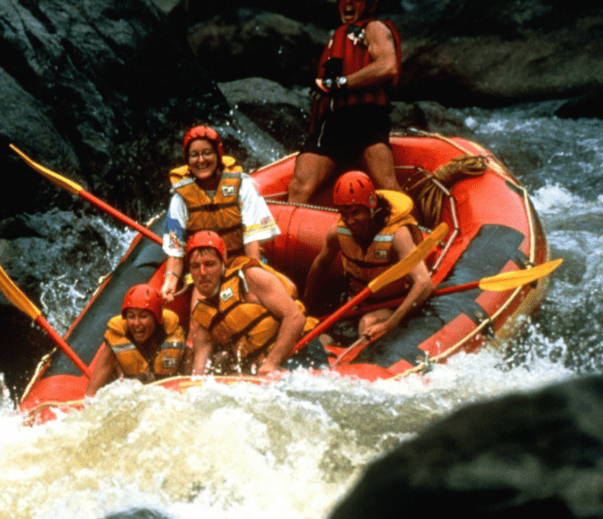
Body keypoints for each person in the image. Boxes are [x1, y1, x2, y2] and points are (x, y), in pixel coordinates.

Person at [287, 0, 403, 205]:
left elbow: (388, 66)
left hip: (366, 117)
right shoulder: (339, 34)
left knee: (387, 184)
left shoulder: (374, 28)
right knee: (298, 187)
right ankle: (288, 236)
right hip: (332, 123)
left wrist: (339, 83)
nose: (348, 3)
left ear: (369, 5)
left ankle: (415, 233)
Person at [303, 171, 433, 343]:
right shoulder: (337, 234)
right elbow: (320, 265)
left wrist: (389, 324)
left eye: (355, 212)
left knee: (368, 323)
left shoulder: (397, 235)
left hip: (393, 305)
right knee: (322, 341)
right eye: (344, 213)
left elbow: (424, 284)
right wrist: (304, 307)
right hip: (355, 304)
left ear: (371, 206)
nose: (349, 221)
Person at [160, 125, 281, 303]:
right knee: (197, 321)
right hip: (204, 273)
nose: (201, 160)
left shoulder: (242, 186)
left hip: (240, 260)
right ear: (187, 160)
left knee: (258, 302)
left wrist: (253, 275)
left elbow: (251, 238)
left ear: (218, 154)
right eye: (194, 155)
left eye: (207, 153)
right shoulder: (180, 199)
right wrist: (170, 280)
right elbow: (175, 250)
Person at [186, 231, 327, 377]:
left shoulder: (249, 277)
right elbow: (199, 374)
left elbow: (296, 318)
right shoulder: (203, 318)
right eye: (195, 266)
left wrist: (272, 362)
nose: (202, 273)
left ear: (223, 263)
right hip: (264, 370)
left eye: (209, 264)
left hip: (301, 352)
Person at [85, 284, 188, 396]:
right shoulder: (115, 345)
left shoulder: (174, 338)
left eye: (143, 316)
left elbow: (192, 386)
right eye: (131, 316)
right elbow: (91, 395)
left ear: (156, 317)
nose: (136, 323)